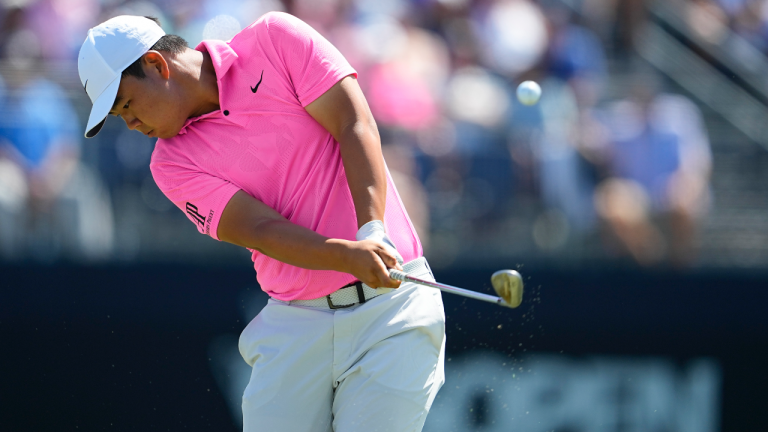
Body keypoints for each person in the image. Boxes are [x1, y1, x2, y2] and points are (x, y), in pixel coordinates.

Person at [77, 13, 445, 431]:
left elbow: (353, 122)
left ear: (156, 65)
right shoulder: (170, 164)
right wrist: (348, 255)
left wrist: (373, 232)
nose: (130, 124)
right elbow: (259, 230)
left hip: (392, 312)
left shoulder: (275, 39)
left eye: (126, 105)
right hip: (295, 323)